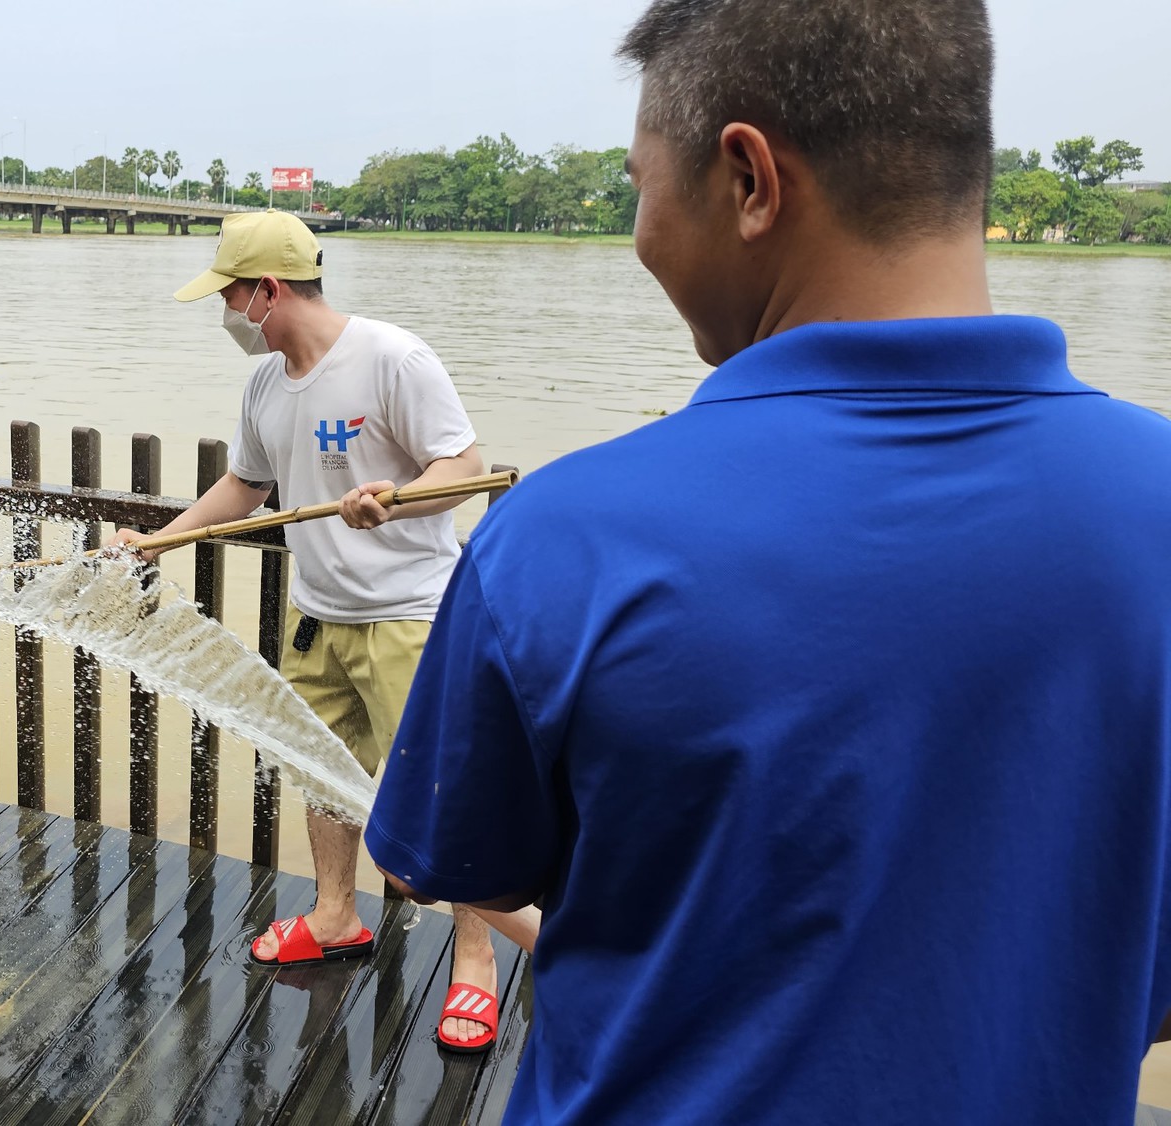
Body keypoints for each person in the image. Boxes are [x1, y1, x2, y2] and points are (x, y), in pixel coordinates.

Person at [366, 0, 1171, 1121]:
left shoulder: (569, 535)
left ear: (746, 178)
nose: (639, 230)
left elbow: (469, 866)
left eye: (640, 185)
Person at [120, 209, 538, 1054]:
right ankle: (337, 913)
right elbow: (244, 485)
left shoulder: (392, 357)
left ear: (268, 290)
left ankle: (474, 963)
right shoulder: (268, 383)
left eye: (231, 295)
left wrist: (396, 493)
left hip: (410, 616)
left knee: (438, 801)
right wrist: (158, 541)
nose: (228, 313)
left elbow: (464, 466)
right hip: (318, 615)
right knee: (321, 775)